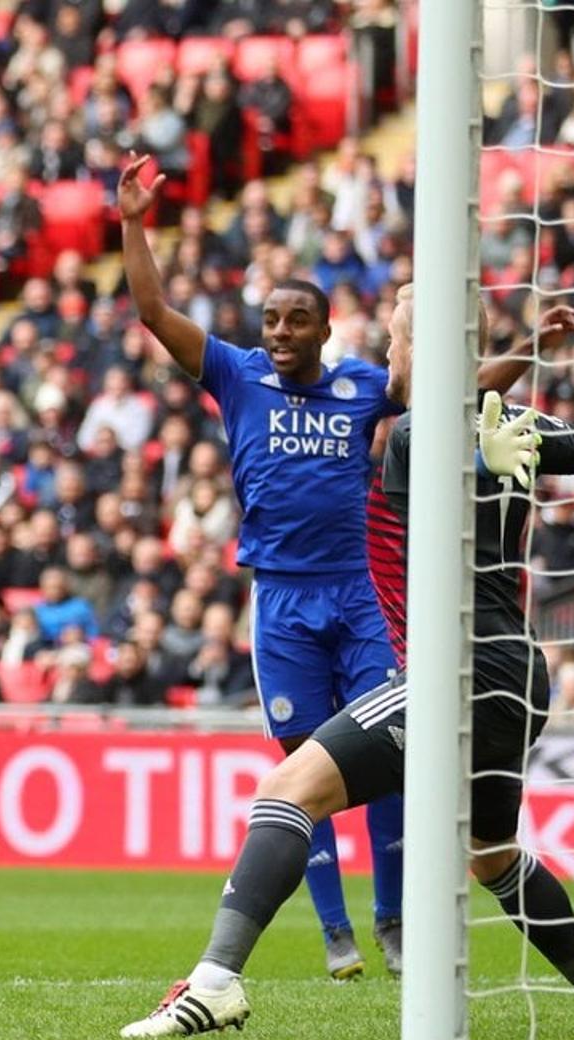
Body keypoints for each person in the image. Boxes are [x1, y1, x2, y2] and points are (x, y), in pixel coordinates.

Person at [119, 294, 574, 1038]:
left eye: (399, 342)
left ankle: (214, 982)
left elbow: (441, 517)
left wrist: (474, 461)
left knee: (285, 791)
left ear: (423, 355)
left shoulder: (412, 437)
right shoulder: (513, 427)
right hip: (516, 676)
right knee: (494, 856)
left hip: (457, 672)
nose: (389, 358)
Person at [118, 152, 406, 979]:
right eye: (270, 319)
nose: (277, 332)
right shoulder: (236, 375)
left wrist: (524, 353)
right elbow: (151, 308)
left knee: (388, 752)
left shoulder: (362, 386)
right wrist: (135, 222)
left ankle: (392, 919)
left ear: (323, 330)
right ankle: (336, 933)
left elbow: (452, 388)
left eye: (293, 321)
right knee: (296, 770)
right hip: (279, 604)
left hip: (356, 598)